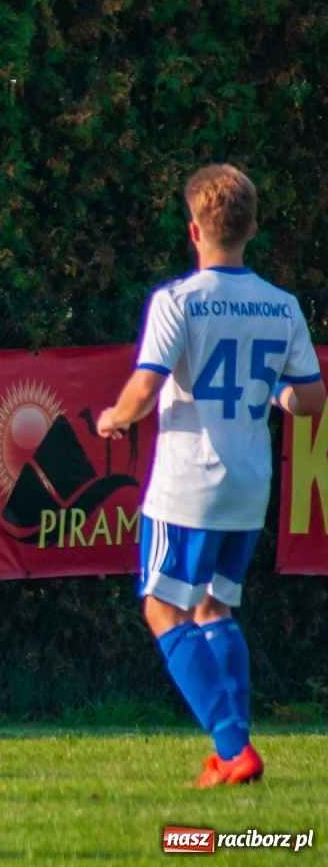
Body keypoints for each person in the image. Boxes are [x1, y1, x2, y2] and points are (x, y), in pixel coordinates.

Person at [96, 164, 324, 786]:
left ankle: (233, 747)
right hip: (250, 484)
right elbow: (310, 402)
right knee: (216, 609)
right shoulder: (282, 306)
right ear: (251, 228)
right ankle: (234, 751)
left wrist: (114, 417)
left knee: (163, 610)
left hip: (189, 483)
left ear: (194, 230)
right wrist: (275, 394)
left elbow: (144, 389)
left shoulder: (176, 300)